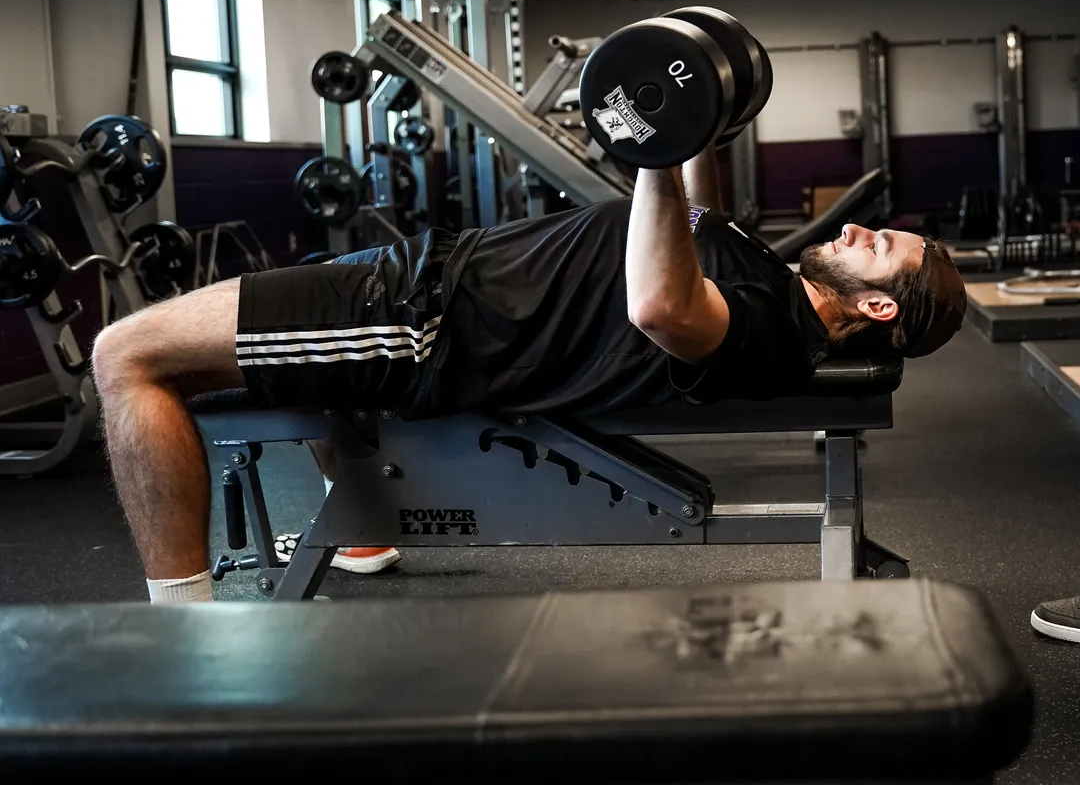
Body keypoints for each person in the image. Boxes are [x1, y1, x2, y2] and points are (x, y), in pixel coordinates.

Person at [91, 144, 967, 603]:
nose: (858, 231)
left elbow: (660, 308)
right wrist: (697, 127)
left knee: (126, 357)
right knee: (201, 363)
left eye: (879, 246)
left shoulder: (768, 331)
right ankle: (358, 529)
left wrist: (653, 154)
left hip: (415, 322)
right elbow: (698, 215)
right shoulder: (774, 285)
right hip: (426, 282)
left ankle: (183, 637)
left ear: (880, 308)